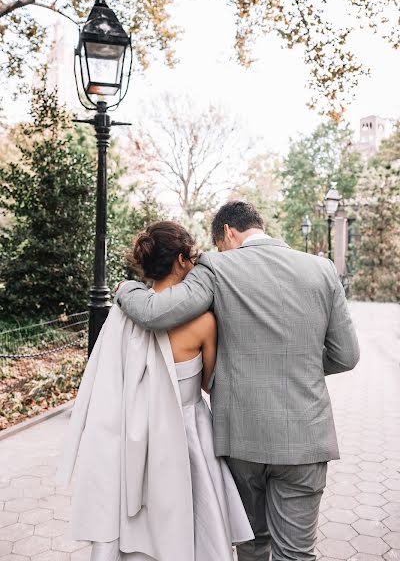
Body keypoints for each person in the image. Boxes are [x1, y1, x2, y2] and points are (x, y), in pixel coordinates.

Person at [115, 201, 360, 561]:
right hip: (306, 436)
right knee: (298, 554)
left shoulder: (216, 267)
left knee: (252, 545)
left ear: (228, 232)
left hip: (242, 439)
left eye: (218, 244)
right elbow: (346, 355)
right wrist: (298, 364)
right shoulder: (322, 270)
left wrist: (125, 290)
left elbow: (158, 313)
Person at [57, 220, 253, 561]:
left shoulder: (123, 316)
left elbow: (110, 378)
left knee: (138, 526)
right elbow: (207, 383)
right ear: (180, 260)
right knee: (197, 521)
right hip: (190, 434)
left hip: (136, 435)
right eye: (191, 258)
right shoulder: (205, 321)